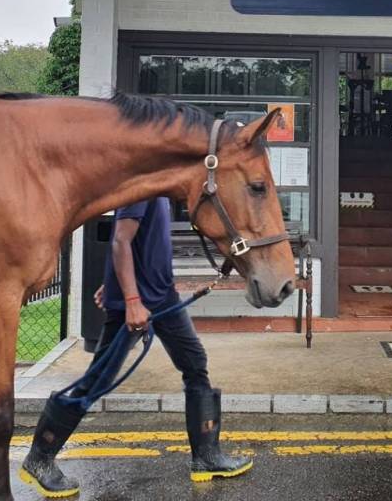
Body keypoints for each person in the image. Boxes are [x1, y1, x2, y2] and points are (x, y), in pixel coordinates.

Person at [19, 197, 252, 497]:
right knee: (96, 382)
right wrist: (129, 299)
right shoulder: (143, 188)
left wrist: (112, 283)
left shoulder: (159, 190)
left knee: (195, 363)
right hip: (137, 304)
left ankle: (206, 457)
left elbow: (139, 245)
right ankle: (40, 458)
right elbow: (120, 240)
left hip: (163, 296)